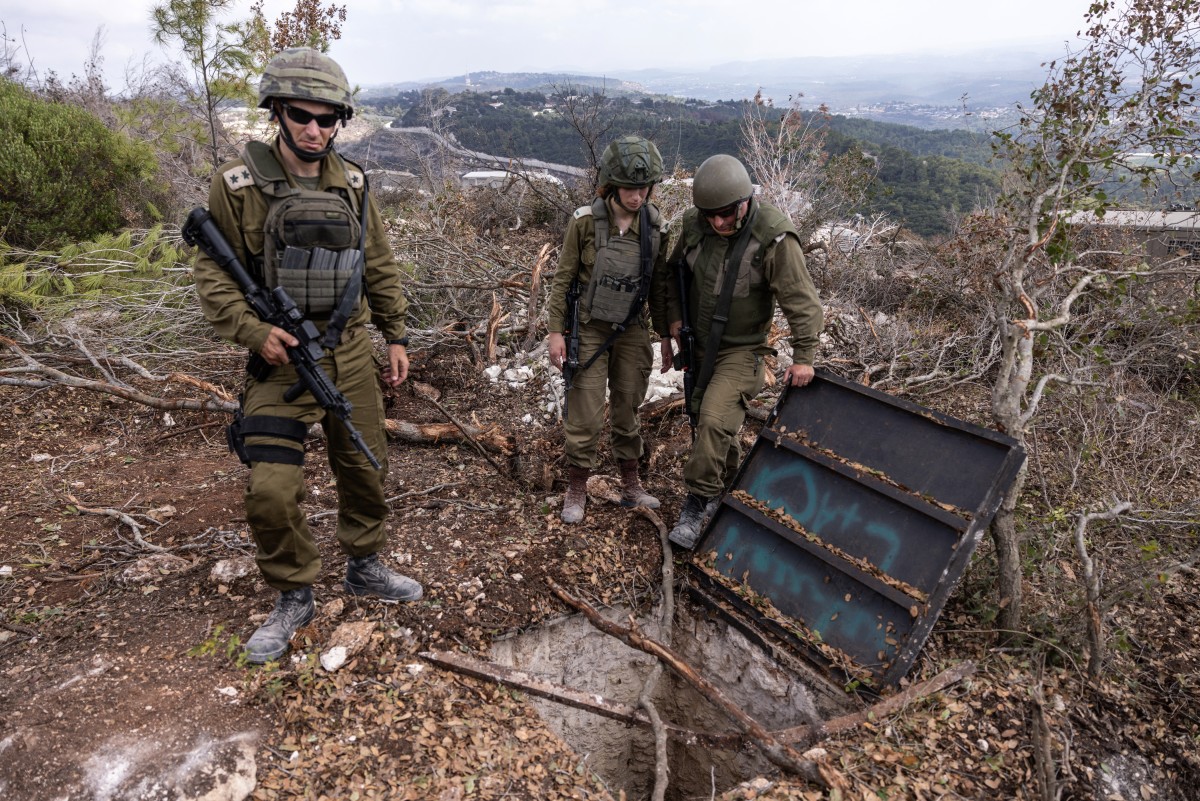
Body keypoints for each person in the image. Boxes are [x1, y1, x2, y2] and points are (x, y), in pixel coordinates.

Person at [192, 48, 422, 664]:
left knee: (366, 465)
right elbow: (213, 275)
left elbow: (377, 262)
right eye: (302, 116)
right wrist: (252, 331)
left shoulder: (353, 182)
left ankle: (365, 564)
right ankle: (293, 591)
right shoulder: (236, 187)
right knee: (270, 490)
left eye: (328, 119)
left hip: (347, 350)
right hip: (280, 360)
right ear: (277, 113)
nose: (315, 130)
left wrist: (395, 335)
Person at [651, 154, 823, 549]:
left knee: (712, 419)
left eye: (726, 213)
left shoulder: (773, 235)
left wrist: (804, 357)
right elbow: (672, 275)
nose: (719, 222)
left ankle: (698, 503)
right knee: (709, 418)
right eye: (710, 214)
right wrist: (674, 322)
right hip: (697, 343)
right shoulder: (697, 226)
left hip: (743, 350)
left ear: (745, 201)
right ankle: (732, 485)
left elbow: (803, 302)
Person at [546, 135, 667, 524]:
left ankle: (631, 483)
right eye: (630, 187)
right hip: (589, 327)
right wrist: (555, 332)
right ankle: (577, 486)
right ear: (613, 184)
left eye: (644, 187)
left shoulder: (654, 225)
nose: (637, 195)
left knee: (629, 403)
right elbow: (563, 280)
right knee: (585, 413)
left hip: (632, 327)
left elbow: (661, 287)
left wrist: (666, 334)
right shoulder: (585, 223)